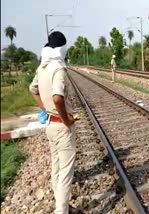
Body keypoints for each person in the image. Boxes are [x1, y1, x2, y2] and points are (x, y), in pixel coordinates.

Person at [29, 31, 82, 214]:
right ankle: (62, 211)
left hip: (50, 125)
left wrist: (46, 110)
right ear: (62, 48)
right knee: (66, 172)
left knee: (56, 167)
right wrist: (66, 119)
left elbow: (33, 90)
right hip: (61, 126)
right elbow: (58, 98)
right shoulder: (58, 68)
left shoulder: (42, 68)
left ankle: (63, 206)